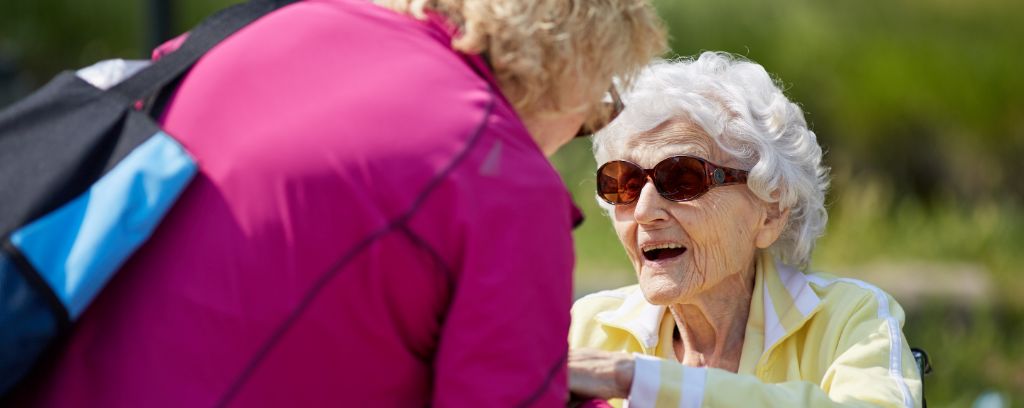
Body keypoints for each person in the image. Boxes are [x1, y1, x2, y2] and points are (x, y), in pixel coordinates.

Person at [9, 0, 666, 406]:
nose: (581, 134)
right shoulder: (498, 170)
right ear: (572, 65)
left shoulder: (275, 23)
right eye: (595, 113)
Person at [567, 53, 923, 407]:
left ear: (770, 211)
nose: (644, 211)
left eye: (682, 178)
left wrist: (643, 382)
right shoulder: (589, 328)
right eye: (625, 183)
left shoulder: (849, 321)